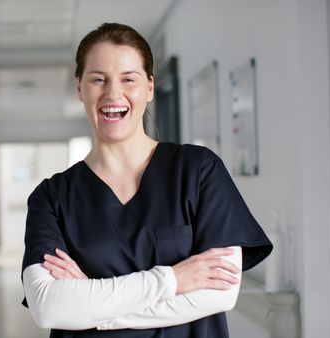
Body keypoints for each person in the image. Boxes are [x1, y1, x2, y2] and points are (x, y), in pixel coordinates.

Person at [21, 22, 272, 337]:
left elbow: (219, 292)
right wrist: (171, 280)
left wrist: (93, 305)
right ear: (80, 88)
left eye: (129, 79)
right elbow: (49, 307)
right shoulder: (52, 197)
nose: (113, 93)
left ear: (150, 87)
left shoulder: (199, 171)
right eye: (98, 80)